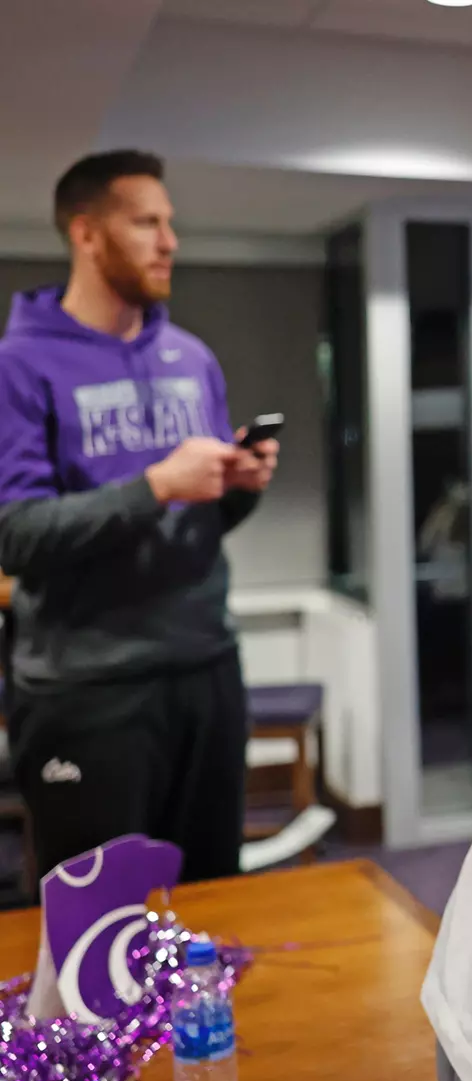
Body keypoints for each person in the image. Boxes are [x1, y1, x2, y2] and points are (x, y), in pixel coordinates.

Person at [0, 150, 279, 883]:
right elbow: (17, 535)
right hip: (88, 692)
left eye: (170, 223)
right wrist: (154, 484)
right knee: (98, 938)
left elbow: (199, 525)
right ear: (87, 234)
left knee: (215, 903)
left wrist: (238, 484)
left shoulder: (192, 358)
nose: (170, 241)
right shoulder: (20, 366)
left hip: (206, 669)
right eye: (147, 222)